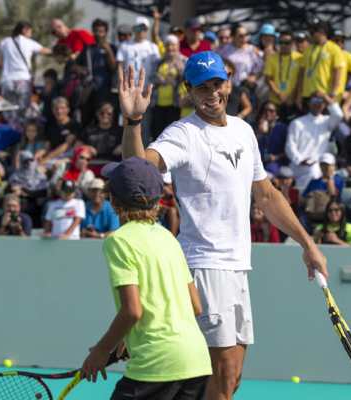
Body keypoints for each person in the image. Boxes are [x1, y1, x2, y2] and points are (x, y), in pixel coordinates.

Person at [117, 52, 327, 400]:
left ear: (228, 83)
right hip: (204, 266)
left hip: (237, 267)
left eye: (217, 84)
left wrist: (308, 245)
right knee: (221, 379)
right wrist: (133, 120)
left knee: (231, 380)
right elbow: (138, 169)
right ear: (188, 91)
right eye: (202, 88)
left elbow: (267, 195)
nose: (212, 93)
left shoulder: (243, 131)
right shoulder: (182, 134)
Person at [80, 156, 211, 398]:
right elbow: (195, 306)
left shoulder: (118, 241)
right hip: (197, 362)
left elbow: (132, 311)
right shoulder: (168, 238)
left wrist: (101, 350)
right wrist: (128, 340)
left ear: (114, 200)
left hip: (156, 365)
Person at [0, 21, 52, 123]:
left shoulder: (4, 42)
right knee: (23, 112)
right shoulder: (29, 42)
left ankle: (13, 131)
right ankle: (24, 134)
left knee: (10, 112)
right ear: (24, 30)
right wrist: (62, 51)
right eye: (30, 31)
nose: (31, 34)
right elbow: (46, 51)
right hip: (23, 80)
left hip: (7, 81)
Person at [285, 93, 343, 190]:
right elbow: (289, 146)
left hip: (319, 165)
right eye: (314, 102)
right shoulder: (297, 123)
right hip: (298, 165)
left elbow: (338, 114)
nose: (318, 105)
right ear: (309, 103)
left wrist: (325, 96)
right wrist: (300, 160)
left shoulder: (327, 121)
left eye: (321, 102)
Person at [76, 18, 118, 122]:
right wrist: (81, 70)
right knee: (86, 120)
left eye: (101, 31)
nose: (98, 34)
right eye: (96, 31)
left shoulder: (112, 48)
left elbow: (114, 68)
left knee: (105, 121)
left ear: (106, 33)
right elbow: (75, 65)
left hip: (106, 93)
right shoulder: (87, 49)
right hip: (89, 91)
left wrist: (108, 51)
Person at [296, 19, 345, 104]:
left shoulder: (334, 48)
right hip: (307, 95)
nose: (311, 33)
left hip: (323, 95)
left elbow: (337, 72)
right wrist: (299, 94)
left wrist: (333, 93)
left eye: (313, 31)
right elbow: (302, 73)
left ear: (322, 32)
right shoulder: (308, 49)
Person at [150, 34, 187, 140]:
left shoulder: (184, 61)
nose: (170, 48)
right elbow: (151, 78)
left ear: (178, 46)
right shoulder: (159, 61)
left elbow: (187, 79)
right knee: (157, 134)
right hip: (158, 103)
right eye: (168, 45)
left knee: (172, 134)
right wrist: (159, 80)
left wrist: (175, 78)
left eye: (173, 45)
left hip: (175, 104)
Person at [263, 30, 302, 119]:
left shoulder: (300, 58)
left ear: (292, 43)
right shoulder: (272, 58)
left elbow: (300, 79)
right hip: (275, 101)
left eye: (287, 43)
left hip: (292, 101)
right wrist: (279, 94)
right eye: (281, 43)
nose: (283, 45)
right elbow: (268, 79)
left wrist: (292, 95)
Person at [116, 16, 160, 87]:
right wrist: (121, 83)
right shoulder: (124, 45)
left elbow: (157, 68)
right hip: (128, 88)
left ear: (147, 30)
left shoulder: (153, 47)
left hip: (147, 88)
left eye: (144, 28)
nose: (141, 31)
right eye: (139, 27)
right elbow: (120, 66)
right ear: (134, 28)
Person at [254, 102, 288, 175]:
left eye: (271, 111)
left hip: (275, 163)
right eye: (265, 110)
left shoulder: (282, 128)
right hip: (258, 162)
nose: (267, 113)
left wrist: (276, 157)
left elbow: (288, 150)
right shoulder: (255, 126)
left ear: (276, 114)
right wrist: (260, 132)